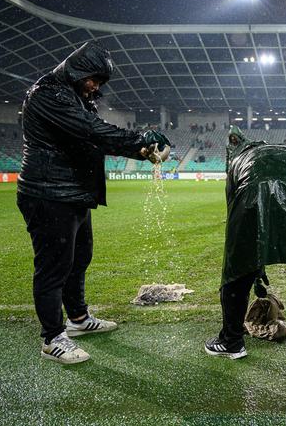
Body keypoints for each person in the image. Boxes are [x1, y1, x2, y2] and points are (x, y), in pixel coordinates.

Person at [17, 41, 171, 365]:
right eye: (93, 79)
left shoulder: (75, 96)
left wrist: (141, 150)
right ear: (78, 70)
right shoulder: (48, 93)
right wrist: (140, 139)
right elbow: (91, 131)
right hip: (48, 193)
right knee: (53, 268)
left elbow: (95, 138)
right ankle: (52, 339)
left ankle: (78, 318)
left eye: (100, 82)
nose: (96, 86)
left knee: (79, 258)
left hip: (71, 193)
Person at [205, 126, 286, 359]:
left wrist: (253, 266)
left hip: (252, 194)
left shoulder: (238, 160)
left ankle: (231, 342)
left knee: (237, 269)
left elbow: (232, 207)